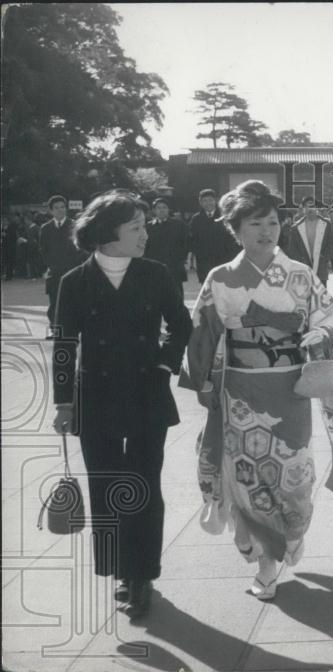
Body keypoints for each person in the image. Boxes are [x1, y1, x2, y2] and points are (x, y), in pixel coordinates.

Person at [182, 180, 333, 601]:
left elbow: (328, 315)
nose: (266, 231)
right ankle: (267, 562)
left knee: (293, 477)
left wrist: (319, 333)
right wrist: (203, 383)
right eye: (255, 223)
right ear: (235, 230)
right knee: (247, 478)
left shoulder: (299, 274)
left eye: (272, 222)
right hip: (240, 390)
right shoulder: (221, 278)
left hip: (290, 389)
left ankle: (289, 535)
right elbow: (201, 335)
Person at [51, 190, 193, 617]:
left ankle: (143, 573)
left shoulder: (156, 273)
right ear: (107, 232)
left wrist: (167, 364)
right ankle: (120, 569)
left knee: (145, 484)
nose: (145, 234)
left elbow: (181, 324)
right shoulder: (73, 281)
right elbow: (63, 345)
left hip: (148, 391)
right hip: (95, 396)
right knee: (107, 485)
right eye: (136, 227)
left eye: (145, 225)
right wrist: (63, 404)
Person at [39, 195, 87, 336]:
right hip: (55, 271)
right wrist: (51, 265)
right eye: (56, 208)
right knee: (55, 302)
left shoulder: (74, 226)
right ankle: (56, 330)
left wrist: (76, 266)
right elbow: (43, 249)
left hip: (73, 270)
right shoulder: (46, 228)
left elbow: (82, 248)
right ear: (51, 211)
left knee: (74, 301)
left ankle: (75, 329)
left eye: (62, 207)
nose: (60, 210)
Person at [283, 196, 333, 287]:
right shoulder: (296, 227)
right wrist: (300, 260)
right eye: (307, 206)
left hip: (321, 267)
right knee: (305, 297)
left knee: (320, 297)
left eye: (312, 206)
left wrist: (325, 257)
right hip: (303, 268)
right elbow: (292, 248)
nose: (310, 209)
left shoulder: (326, 223)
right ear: (303, 208)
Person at [188, 189, 241, 284]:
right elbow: (192, 240)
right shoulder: (196, 219)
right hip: (205, 261)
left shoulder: (225, 216)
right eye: (204, 200)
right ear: (200, 202)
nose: (208, 203)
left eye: (210, 200)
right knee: (207, 289)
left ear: (215, 200)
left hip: (224, 259)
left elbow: (233, 238)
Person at [144, 198, 189, 297]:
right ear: (154, 211)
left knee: (176, 295)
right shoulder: (148, 227)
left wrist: (182, 259)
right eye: (158, 208)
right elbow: (145, 248)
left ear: (169, 209)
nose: (162, 210)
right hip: (155, 267)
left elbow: (185, 244)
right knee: (156, 295)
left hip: (174, 266)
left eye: (164, 207)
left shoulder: (178, 225)